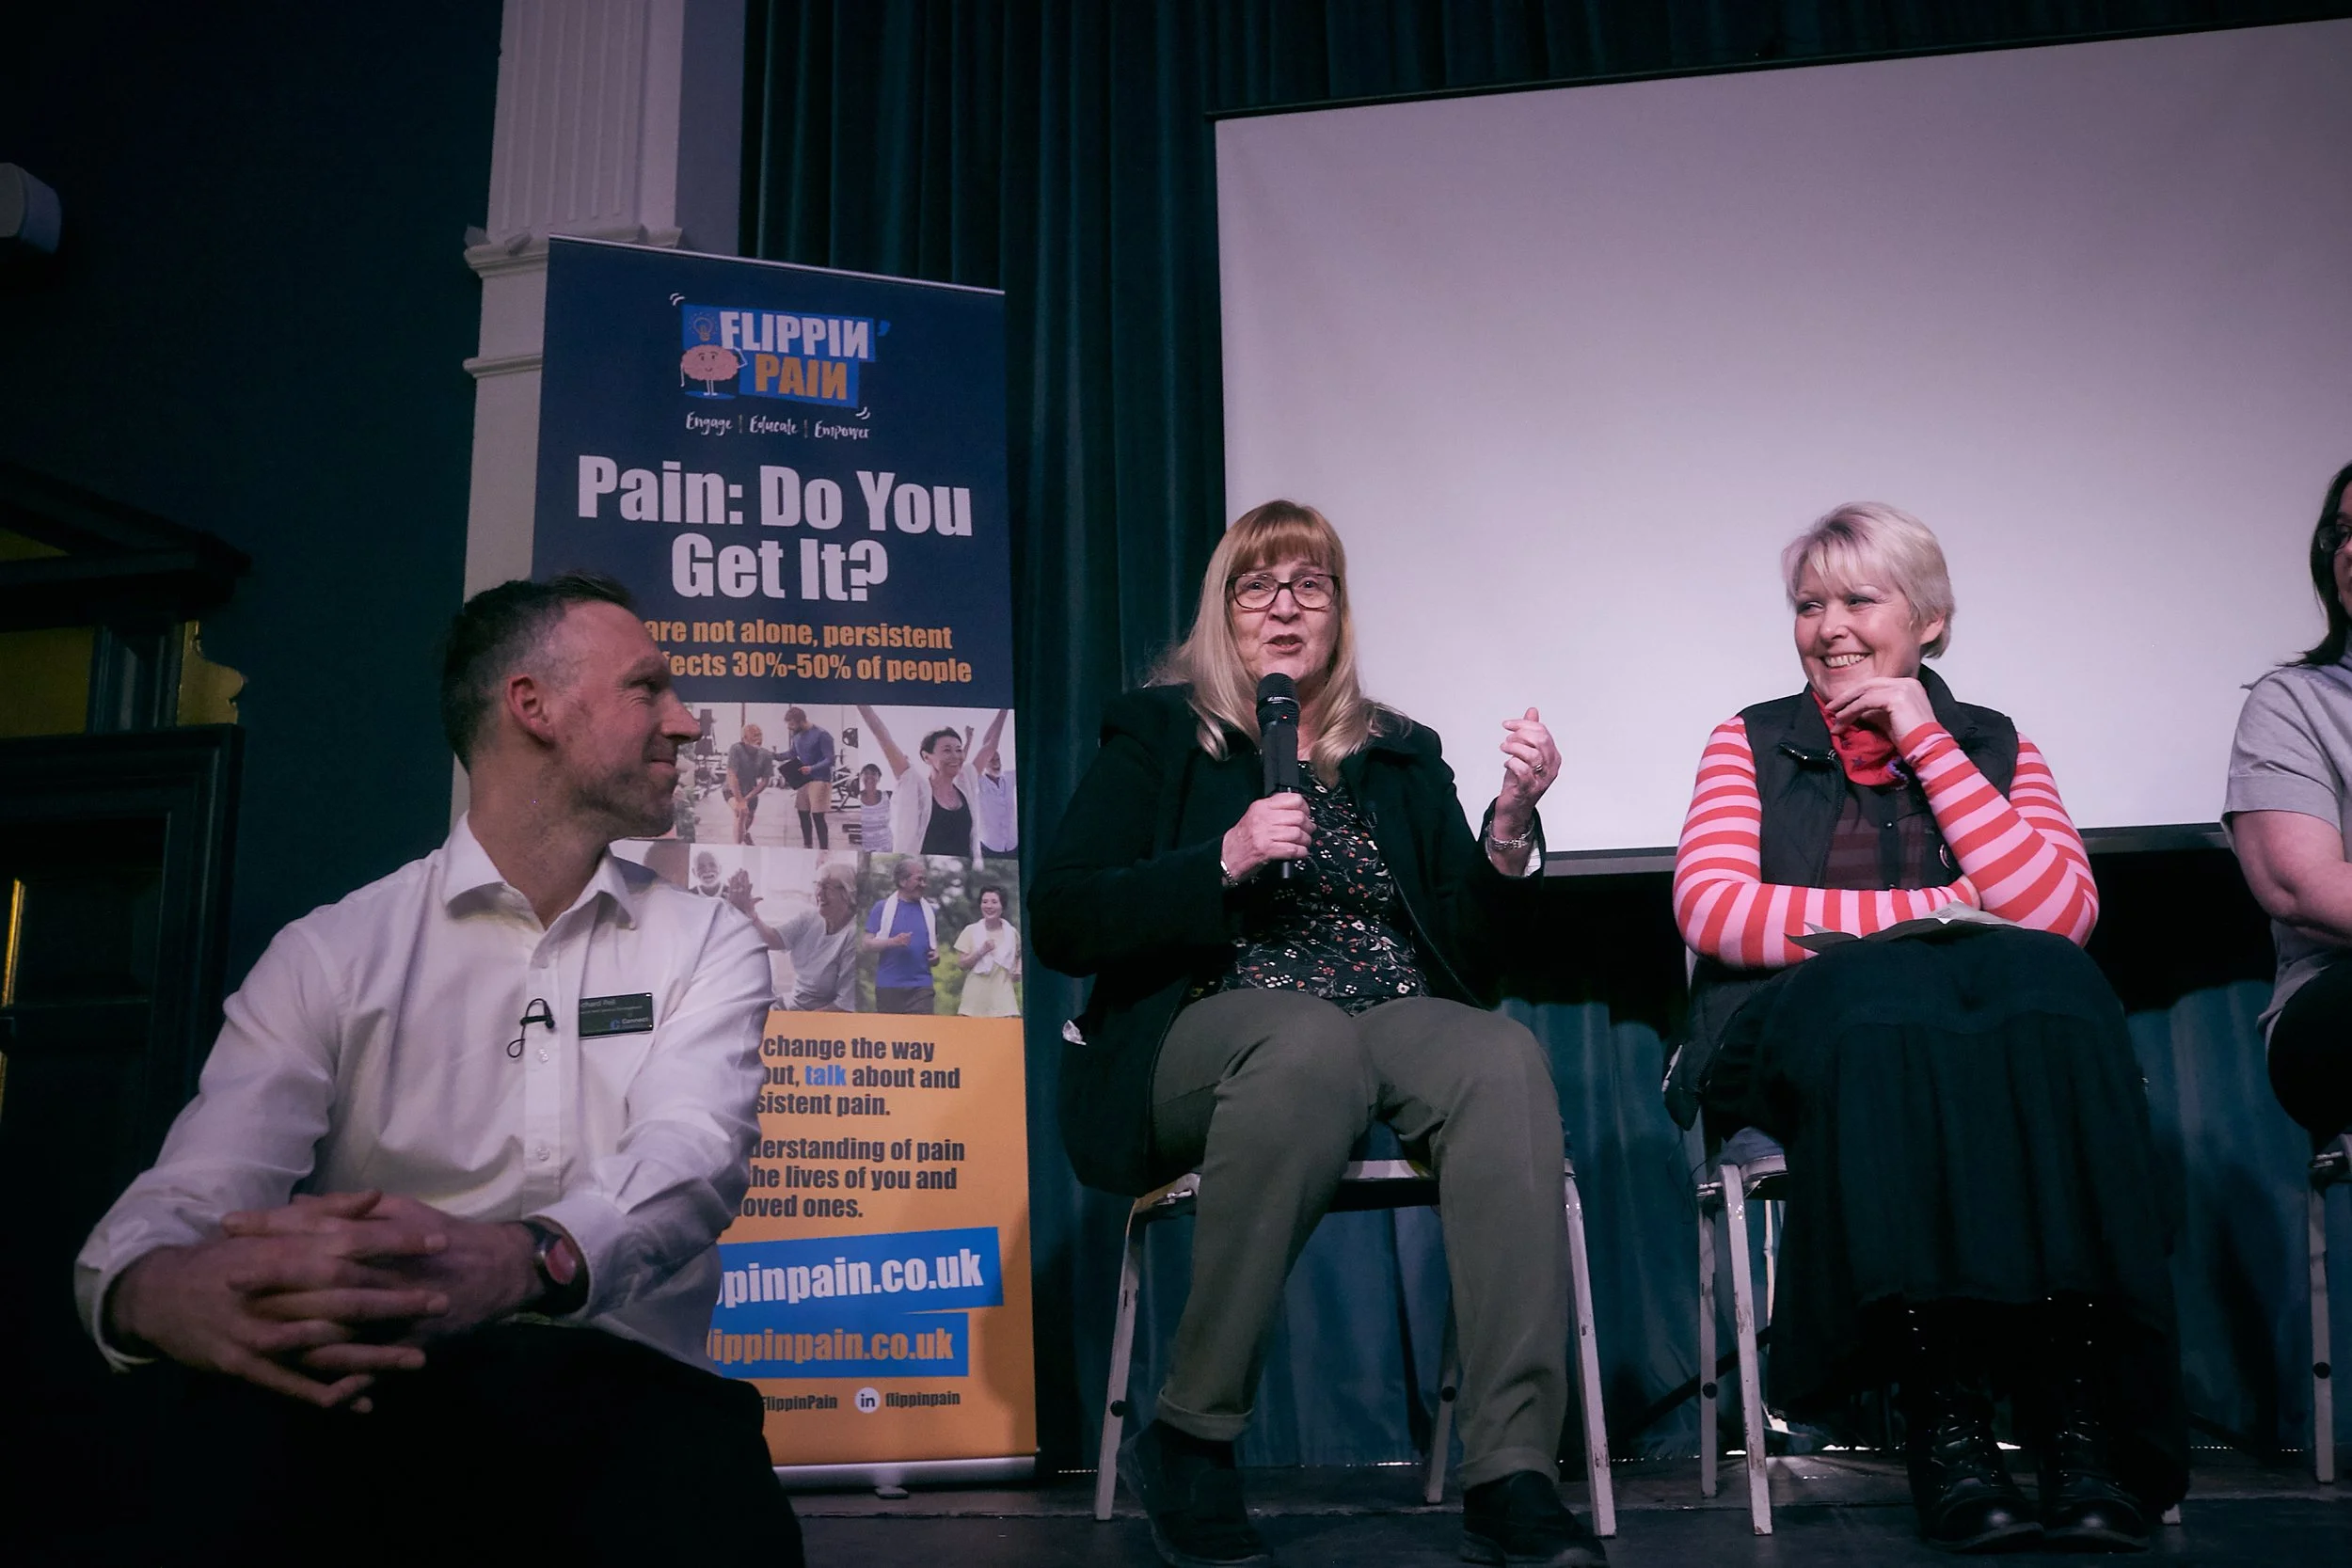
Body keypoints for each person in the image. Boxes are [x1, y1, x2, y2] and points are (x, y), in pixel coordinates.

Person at [72, 574, 801, 1567]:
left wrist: (521, 1259)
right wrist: (157, 1289)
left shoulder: (709, 937)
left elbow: (694, 1149)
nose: (683, 720)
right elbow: (198, 1190)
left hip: (636, 1403)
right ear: (532, 707)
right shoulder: (331, 951)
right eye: (648, 687)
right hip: (374, 1396)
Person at [1032, 500, 1598, 1568]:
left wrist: (1510, 824)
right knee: (1304, 1044)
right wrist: (1222, 858)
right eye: (1257, 585)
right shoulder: (1159, 734)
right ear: (1224, 607)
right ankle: (1193, 1433)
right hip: (1202, 1032)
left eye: (1310, 584)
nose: (1284, 606)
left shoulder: (1396, 754)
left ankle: (1512, 1465)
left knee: (1499, 1054)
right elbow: (1064, 915)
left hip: (1383, 1017)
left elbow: (1473, 962)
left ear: (1338, 610)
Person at [1668, 503, 2185, 1552]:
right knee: (1878, 1001)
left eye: (1860, 599)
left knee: (2056, 992)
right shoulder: (1750, 739)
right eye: (1808, 604)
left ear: (1930, 622)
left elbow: (2061, 913)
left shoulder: (1994, 741)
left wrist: (1927, 741)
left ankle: (2075, 1412)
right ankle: (1940, 1411)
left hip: (1970, 1045)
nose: (1830, 626)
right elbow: (1714, 907)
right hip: (1796, 1044)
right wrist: (1932, 916)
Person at [2224, 460, 2352, 1146]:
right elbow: (2301, 884)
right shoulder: (2294, 702)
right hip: (2335, 996)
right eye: (2343, 533)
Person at [859, 701, 1009, 861]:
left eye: (959, 750)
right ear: (926, 756)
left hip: (964, 876)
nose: (955, 756)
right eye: (947, 750)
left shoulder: (967, 783)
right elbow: (883, 737)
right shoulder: (917, 787)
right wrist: (859, 701)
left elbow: (990, 745)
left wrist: (1005, 706)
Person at [728, 861, 861, 1012]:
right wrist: (750, 915)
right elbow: (774, 940)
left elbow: (843, 1006)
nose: (819, 893)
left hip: (823, 1020)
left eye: (828, 887)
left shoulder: (853, 936)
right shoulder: (810, 917)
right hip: (795, 1006)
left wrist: (793, 1023)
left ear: (847, 893)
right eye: (818, 885)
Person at [864, 856, 941, 1014]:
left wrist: (936, 956)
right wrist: (892, 942)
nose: (923, 885)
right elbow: (866, 944)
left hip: (922, 986)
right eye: (919, 880)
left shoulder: (930, 912)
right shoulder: (882, 908)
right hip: (889, 986)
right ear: (902, 881)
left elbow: (934, 946)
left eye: (925, 880)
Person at [953, 885, 1022, 1017]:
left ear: (1003, 906)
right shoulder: (971, 931)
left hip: (1003, 998)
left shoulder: (1012, 932)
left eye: (994, 902)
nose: (989, 906)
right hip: (974, 998)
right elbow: (962, 964)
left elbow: (1019, 955)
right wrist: (981, 951)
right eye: (985, 902)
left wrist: (1018, 970)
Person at [776, 705, 837, 849]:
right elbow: (792, 753)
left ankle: (824, 849)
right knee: (802, 812)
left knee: (817, 816)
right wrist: (774, 756)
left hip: (820, 779)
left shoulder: (822, 734)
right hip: (804, 778)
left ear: (801, 721)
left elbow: (830, 759)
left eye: (791, 724)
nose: (789, 728)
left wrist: (812, 768)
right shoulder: (797, 735)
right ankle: (807, 846)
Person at [723, 721, 772, 844]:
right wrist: (740, 801)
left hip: (751, 791)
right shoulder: (736, 749)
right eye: (754, 737)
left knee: (748, 819)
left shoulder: (766, 755)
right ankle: (737, 847)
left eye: (759, 736)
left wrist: (748, 798)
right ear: (744, 739)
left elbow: (765, 781)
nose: (758, 740)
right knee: (741, 813)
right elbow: (731, 775)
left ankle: (745, 834)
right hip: (732, 789)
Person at [975, 748, 1018, 858]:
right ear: (984, 764)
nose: (996, 763)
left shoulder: (1009, 777)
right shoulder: (978, 783)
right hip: (989, 846)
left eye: (998, 759)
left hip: (1012, 844)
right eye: (991, 760)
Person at [856, 762, 893, 852]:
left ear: (879, 778)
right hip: (863, 851)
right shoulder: (856, 798)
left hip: (885, 848)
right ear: (861, 777)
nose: (870, 776)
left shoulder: (888, 795)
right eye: (866, 773)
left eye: (873, 774)